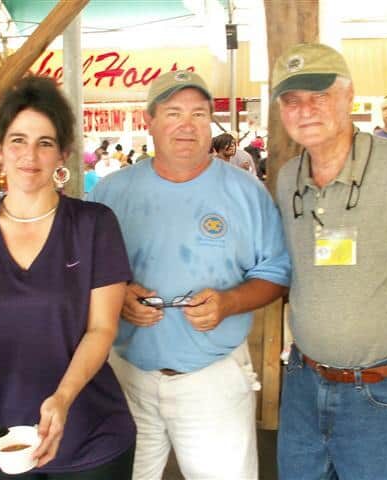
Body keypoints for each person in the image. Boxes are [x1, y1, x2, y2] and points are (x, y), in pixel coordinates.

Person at [87, 69, 290, 480]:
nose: (186, 124)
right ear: (150, 121)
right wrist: (118, 294)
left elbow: (276, 272)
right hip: (126, 375)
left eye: (199, 114)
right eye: (173, 112)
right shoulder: (110, 193)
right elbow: (82, 271)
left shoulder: (246, 191)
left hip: (213, 379)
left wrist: (229, 302)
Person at [0, 75, 136, 479]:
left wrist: (62, 398)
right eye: (18, 140)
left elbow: (101, 329)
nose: (30, 155)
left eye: (45, 142)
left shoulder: (93, 225)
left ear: (63, 154)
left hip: (90, 435)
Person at [272, 42, 387, 479]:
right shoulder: (286, 179)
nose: (306, 110)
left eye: (320, 95)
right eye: (292, 101)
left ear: (350, 96)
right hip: (302, 384)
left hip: (383, 396)